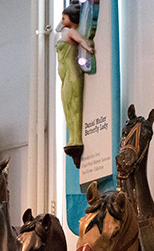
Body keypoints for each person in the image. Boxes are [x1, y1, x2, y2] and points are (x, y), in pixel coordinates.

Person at [57, 1, 95, 167]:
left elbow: (82, 40)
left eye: (64, 17)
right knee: (67, 106)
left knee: (73, 106)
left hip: (72, 72)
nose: (62, 20)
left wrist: (89, 48)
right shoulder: (66, 33)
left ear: (71, 18)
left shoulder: (72, 32)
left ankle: (76, 138)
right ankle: (73, 137)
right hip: (65, 75)